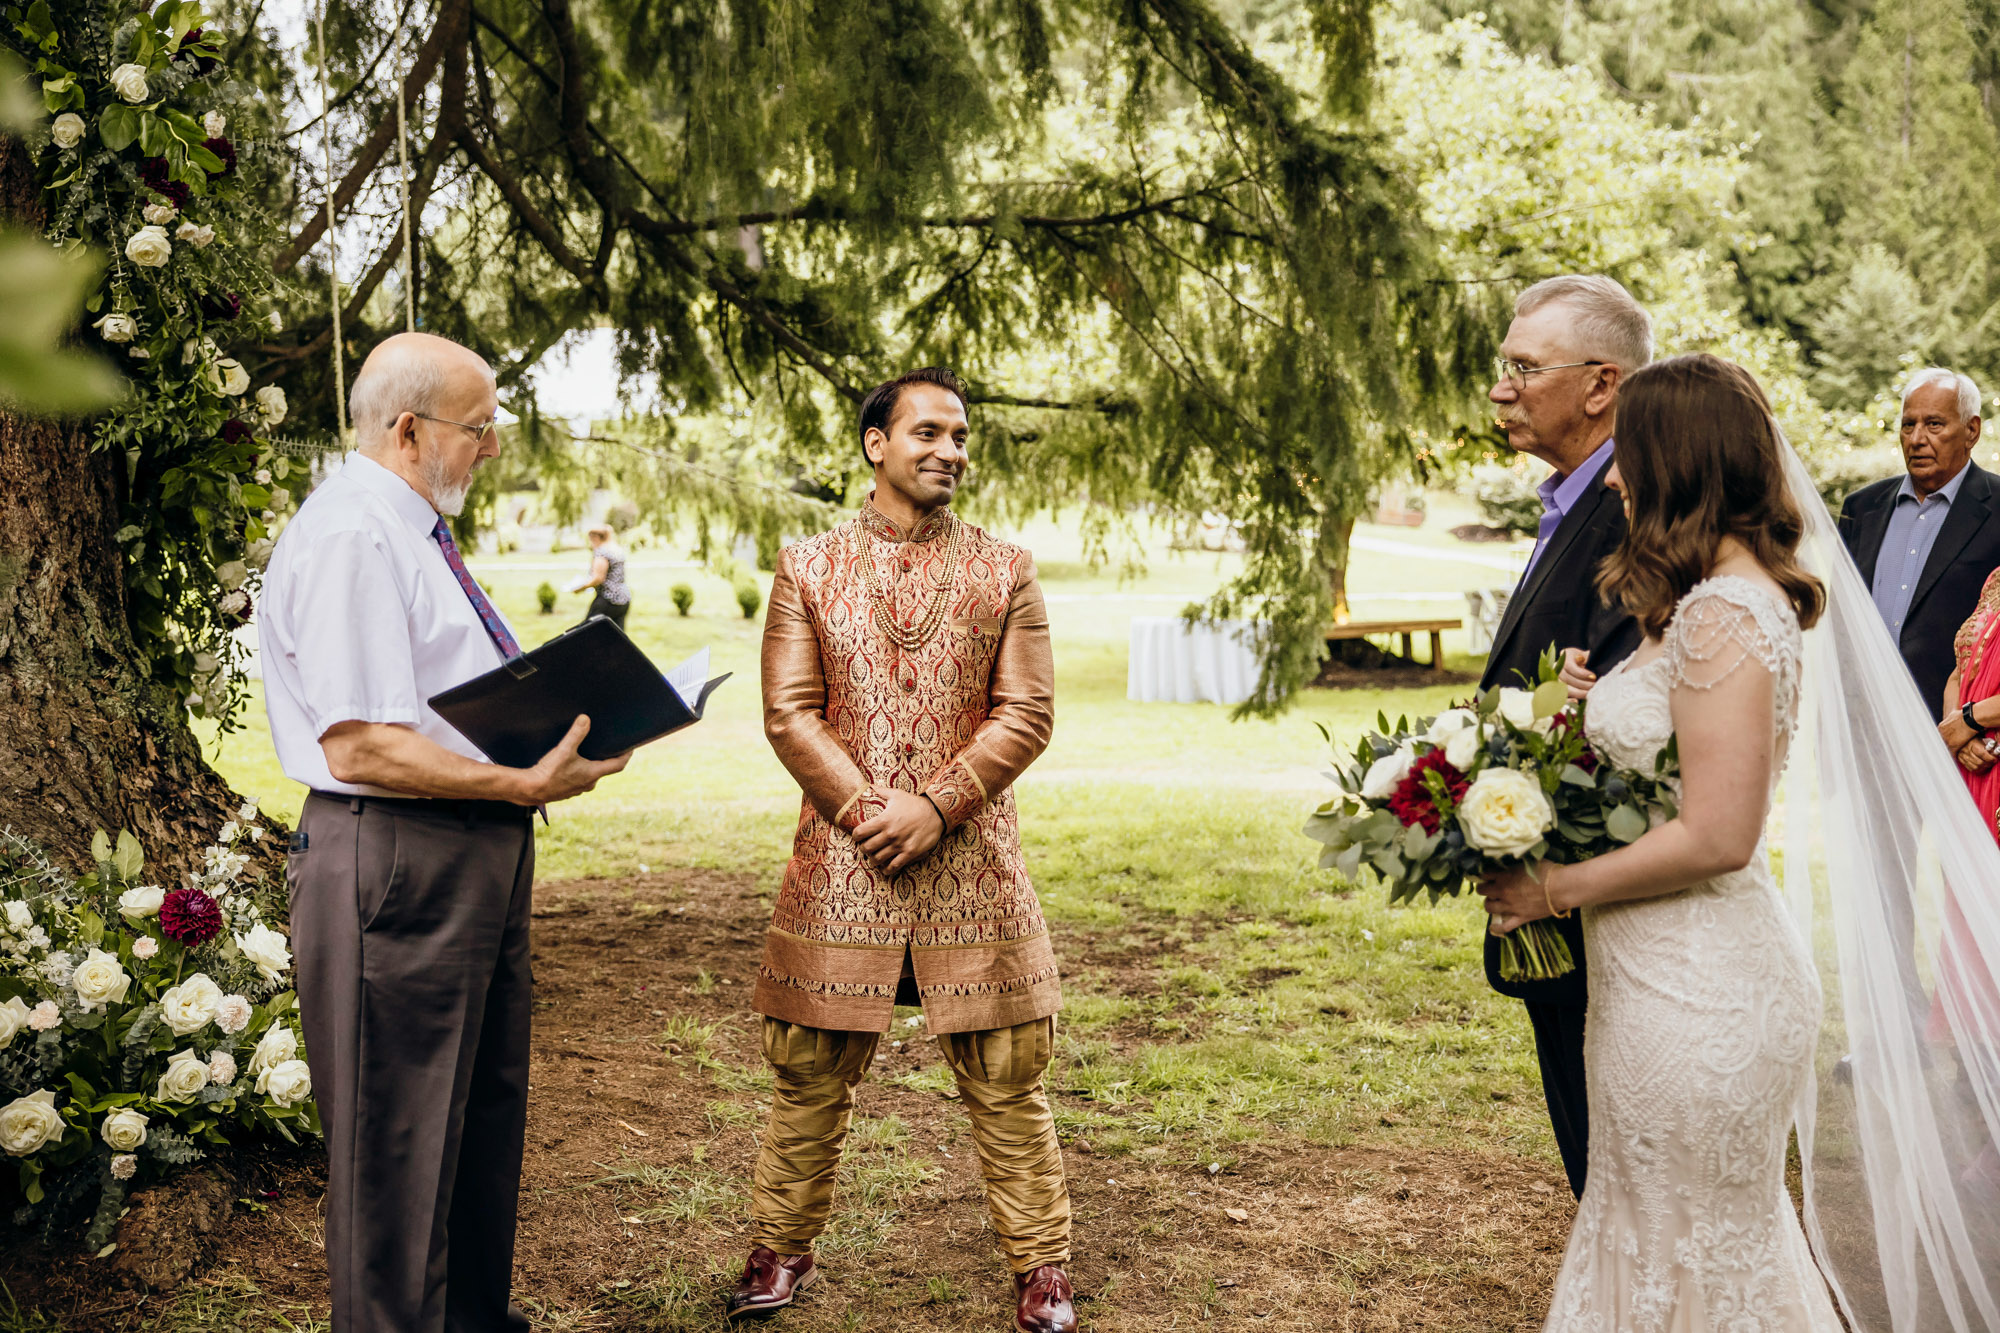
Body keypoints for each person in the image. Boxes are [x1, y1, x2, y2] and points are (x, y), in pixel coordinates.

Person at [260, 332, 631, 1333]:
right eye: (481, 427)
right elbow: (363, 745)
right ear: (410, 429)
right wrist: (517, 778)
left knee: (474, 1118)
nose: (493, 447)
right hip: (396, 856)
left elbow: (429, 701)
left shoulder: (411, 531)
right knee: (397, 1139)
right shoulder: (352, 534)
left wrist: (563, 719)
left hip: (467, 848)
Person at [1479, 353, 1842, 1329]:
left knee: (1691, 1253)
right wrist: (1584, 713)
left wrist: (1551, 887)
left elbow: (1720, 833)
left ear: (1675, 459)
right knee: (1657, 1242)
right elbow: (1677, 759)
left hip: (1701, 989)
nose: (1610, 477)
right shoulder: (1704, 599)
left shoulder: (1726, 610)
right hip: (1653, 974)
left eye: (1626, 454)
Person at [732, 368, 1075, 1333]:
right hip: (846, 860)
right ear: (875, 443)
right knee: (810, 1064)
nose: (950, 450)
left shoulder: (1007, 567)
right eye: (928, 431)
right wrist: (865, 809)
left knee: (1007, 1067)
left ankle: (1042, 1267)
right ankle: (779, 1246)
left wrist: (937, 804)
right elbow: (789, 713)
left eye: (961, 436)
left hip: (971, 856)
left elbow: (1028, 712)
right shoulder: (808, 565)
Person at [1479, 274, 1648, 1198]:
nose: (1501, 388)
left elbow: (1628, 724)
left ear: (1600, 385)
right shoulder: (1565, 501)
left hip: (1592, 900)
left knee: (1611, 1144)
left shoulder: (1631, 514)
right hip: (1546, 882)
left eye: (1522, 367)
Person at [1838, 367, 2000, 718]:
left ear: (1971, 430)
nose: (1916, 438)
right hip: (1862, 723)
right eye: (1908, 425)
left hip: (1953, 733)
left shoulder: (1997, 509)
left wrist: (1978, 725)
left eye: (1934, 424)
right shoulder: (1861, 508)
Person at [568, 522, 632, 628]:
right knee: (617, 636)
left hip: (608, 600)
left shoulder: (602, 552)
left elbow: (598, 578)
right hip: (623, 599)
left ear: (596, 537)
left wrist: (580, 588)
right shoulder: (615, 549)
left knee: (588, 632)